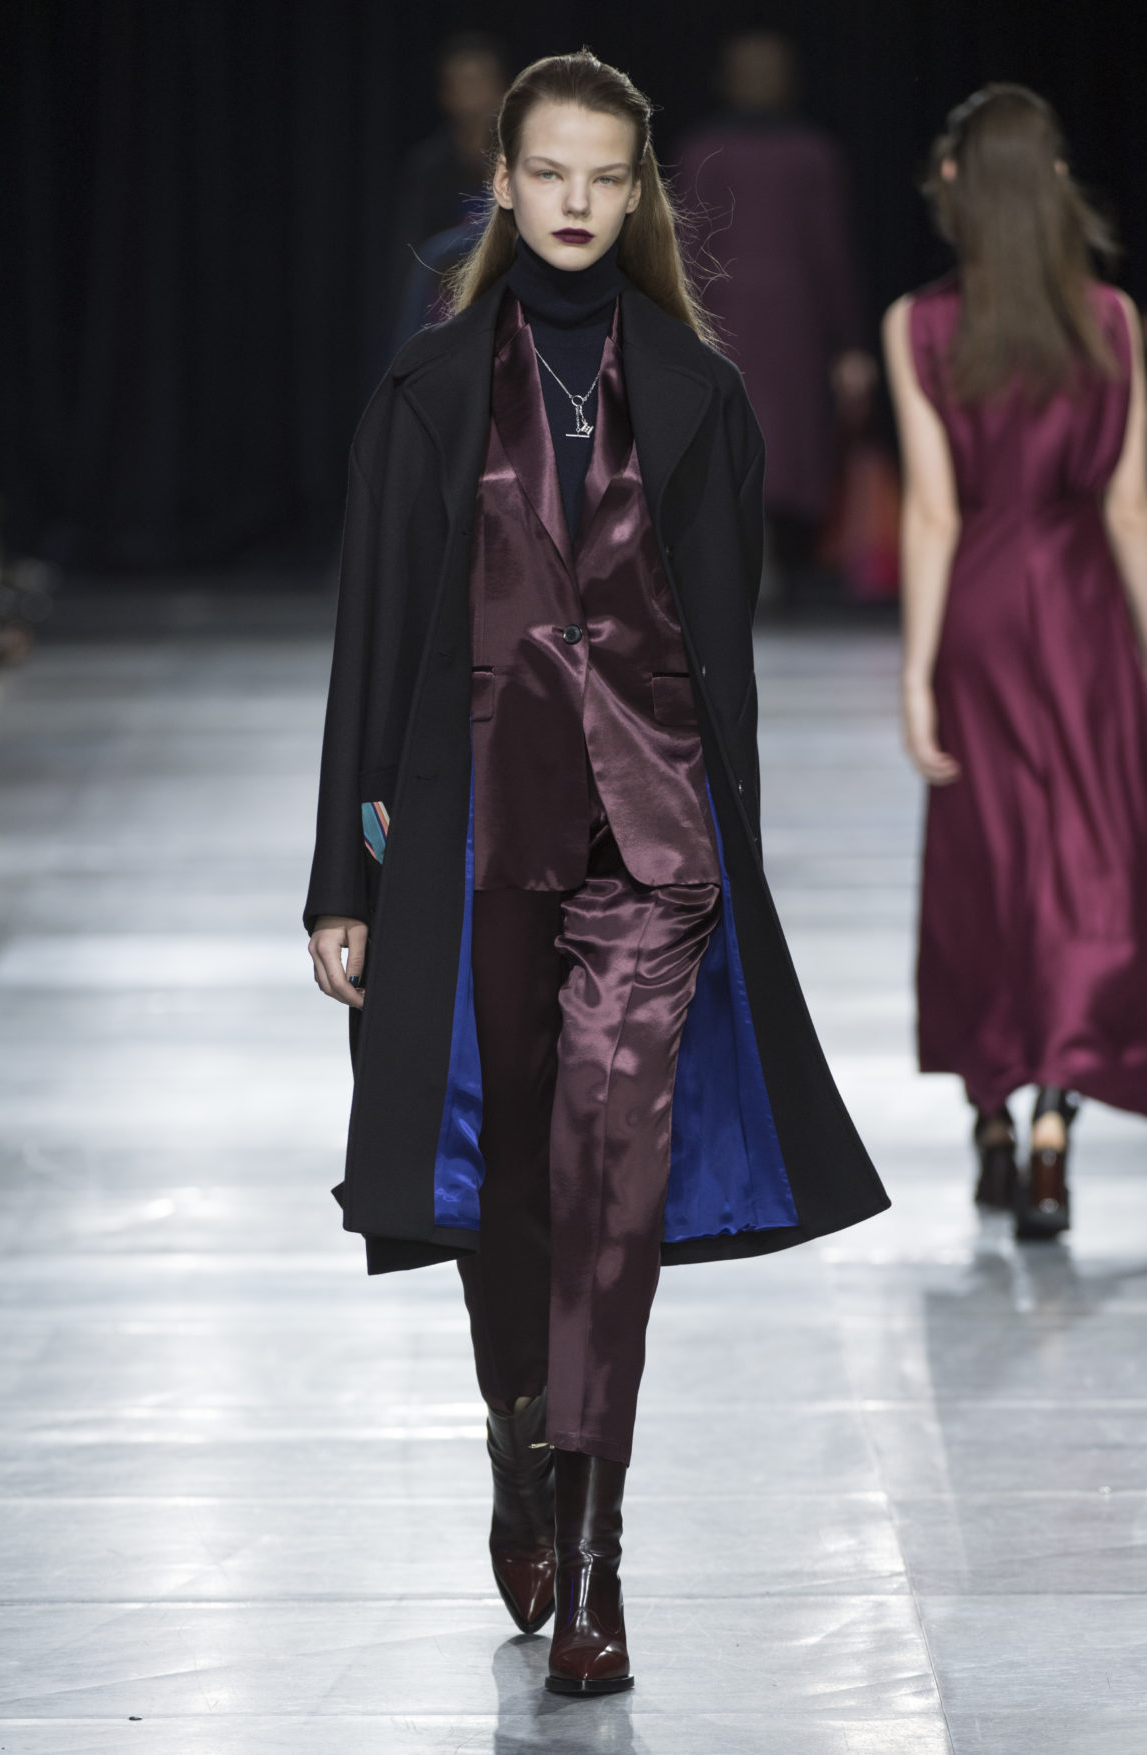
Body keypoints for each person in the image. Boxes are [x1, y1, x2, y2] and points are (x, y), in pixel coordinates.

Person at [307, 49, 889, 1696]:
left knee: (608, 1195)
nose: (573, 201)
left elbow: (725, 656)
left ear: (638, 196)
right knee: (504, 1185)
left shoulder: (698, 395)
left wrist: (736, 855)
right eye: (547, 172)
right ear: (503, 183)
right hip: (473, 837)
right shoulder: (428, 392)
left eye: (604, 176)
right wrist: (341, 874)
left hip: (651, 844)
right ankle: (520, 1439)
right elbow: (372, 637)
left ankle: (595, 1553)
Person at [883, 86, 1147, 1241]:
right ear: (1053, 184)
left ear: (953, 184)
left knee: (984, 856)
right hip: (1085, 611)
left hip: (983, 614)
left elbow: (934, 513)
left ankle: (991, 1111)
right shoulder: (1115, 322)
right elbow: (1130, 510)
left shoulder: (919, 326)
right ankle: (1052, 1123)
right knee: (1090, 858)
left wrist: (915, 672)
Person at [675, 30, 876, 599]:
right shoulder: (715, 149)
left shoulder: (805, 153)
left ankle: (758, 561)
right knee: (752, 435)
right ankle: (751, 561)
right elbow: (685, 247)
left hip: (774, 318)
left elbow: (829, 251)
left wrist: (848, 342)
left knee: (768, 438)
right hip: (743, 317)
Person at [389, 33, 507, 338]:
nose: (473, 96)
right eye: (462, 84)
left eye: (480, 82)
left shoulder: (521, 162)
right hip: (442, 308)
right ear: (446, 94)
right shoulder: (427, 167)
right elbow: (413, 252)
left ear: (501, 89)